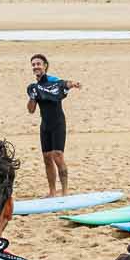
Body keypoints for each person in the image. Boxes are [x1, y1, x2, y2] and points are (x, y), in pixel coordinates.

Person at [25, 53, 81, 195]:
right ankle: (52, 191)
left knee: (58, 156)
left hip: (58, 123)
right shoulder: (34, 87)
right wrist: (32, 97)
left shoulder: (53, 81)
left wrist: (72, 84)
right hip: (45, 125)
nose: (36, 66)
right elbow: (31, 110)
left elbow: (63, 84)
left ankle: (65, 192)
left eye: (38, 64)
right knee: (47, 158)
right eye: (33, 64)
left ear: (45, 66)